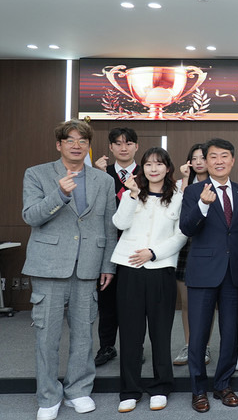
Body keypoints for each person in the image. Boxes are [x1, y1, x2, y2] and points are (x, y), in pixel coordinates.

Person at [22, 119, 117, 420]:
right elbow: (31, 216)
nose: (77, 146)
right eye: (70, 140)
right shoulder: (37, 174)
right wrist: (60, 194)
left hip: (88, 265)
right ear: (59, 144)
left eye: (83, 141)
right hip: (49, 266)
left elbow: (108, 226)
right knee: (47, 336)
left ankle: (78, 390)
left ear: (89, 146)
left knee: (84, 334)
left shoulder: (104, 180)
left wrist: (108, 265)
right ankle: (48, 396)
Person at [180, 137, 238, 412]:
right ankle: (198, 389)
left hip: (234, 274)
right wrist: (202, 205)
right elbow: (186, 228)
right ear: (205, 161)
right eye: (213, 156)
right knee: (198, 335)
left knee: (230, 333)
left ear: (233, 160)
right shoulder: (193, 191)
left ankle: (223, 384)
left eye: (224, 156)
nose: (219, 161)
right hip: (203, 273)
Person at [111, 147, 187, 413]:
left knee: (160, 332)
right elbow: (119, 223)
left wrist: (153, 253)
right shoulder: (131, 193)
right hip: (129, 268)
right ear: (142, 168)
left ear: (168, 168)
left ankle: (161, 387)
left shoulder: (178, 196)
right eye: (148, 164)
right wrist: (131, 195)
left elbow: (181, 235)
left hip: (161, 268)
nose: (153, 169)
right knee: (130, 333)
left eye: (159, 164)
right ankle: (130, 390)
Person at [92, 127, 139, 367]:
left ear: (136, 147)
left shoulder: (147, 173)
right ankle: (106, 347)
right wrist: (96, 176)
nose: (123, 147)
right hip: (108, 245)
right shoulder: (101, 173)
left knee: (135, 303)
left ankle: (135, 348)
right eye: (118, 143)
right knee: (107, 300)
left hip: (136, 247)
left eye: (128, 143)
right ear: (110, 147)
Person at [173, 144, 214, 367]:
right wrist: (184, 181)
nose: (198, 162)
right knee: (187, 302)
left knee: (207, 302)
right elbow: (177, 213)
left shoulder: (218, 184)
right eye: (194, 158)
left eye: (202, 158)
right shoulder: (181, 184)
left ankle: (204, 346)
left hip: (209, 245)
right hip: (185, 245)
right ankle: (189, 345)